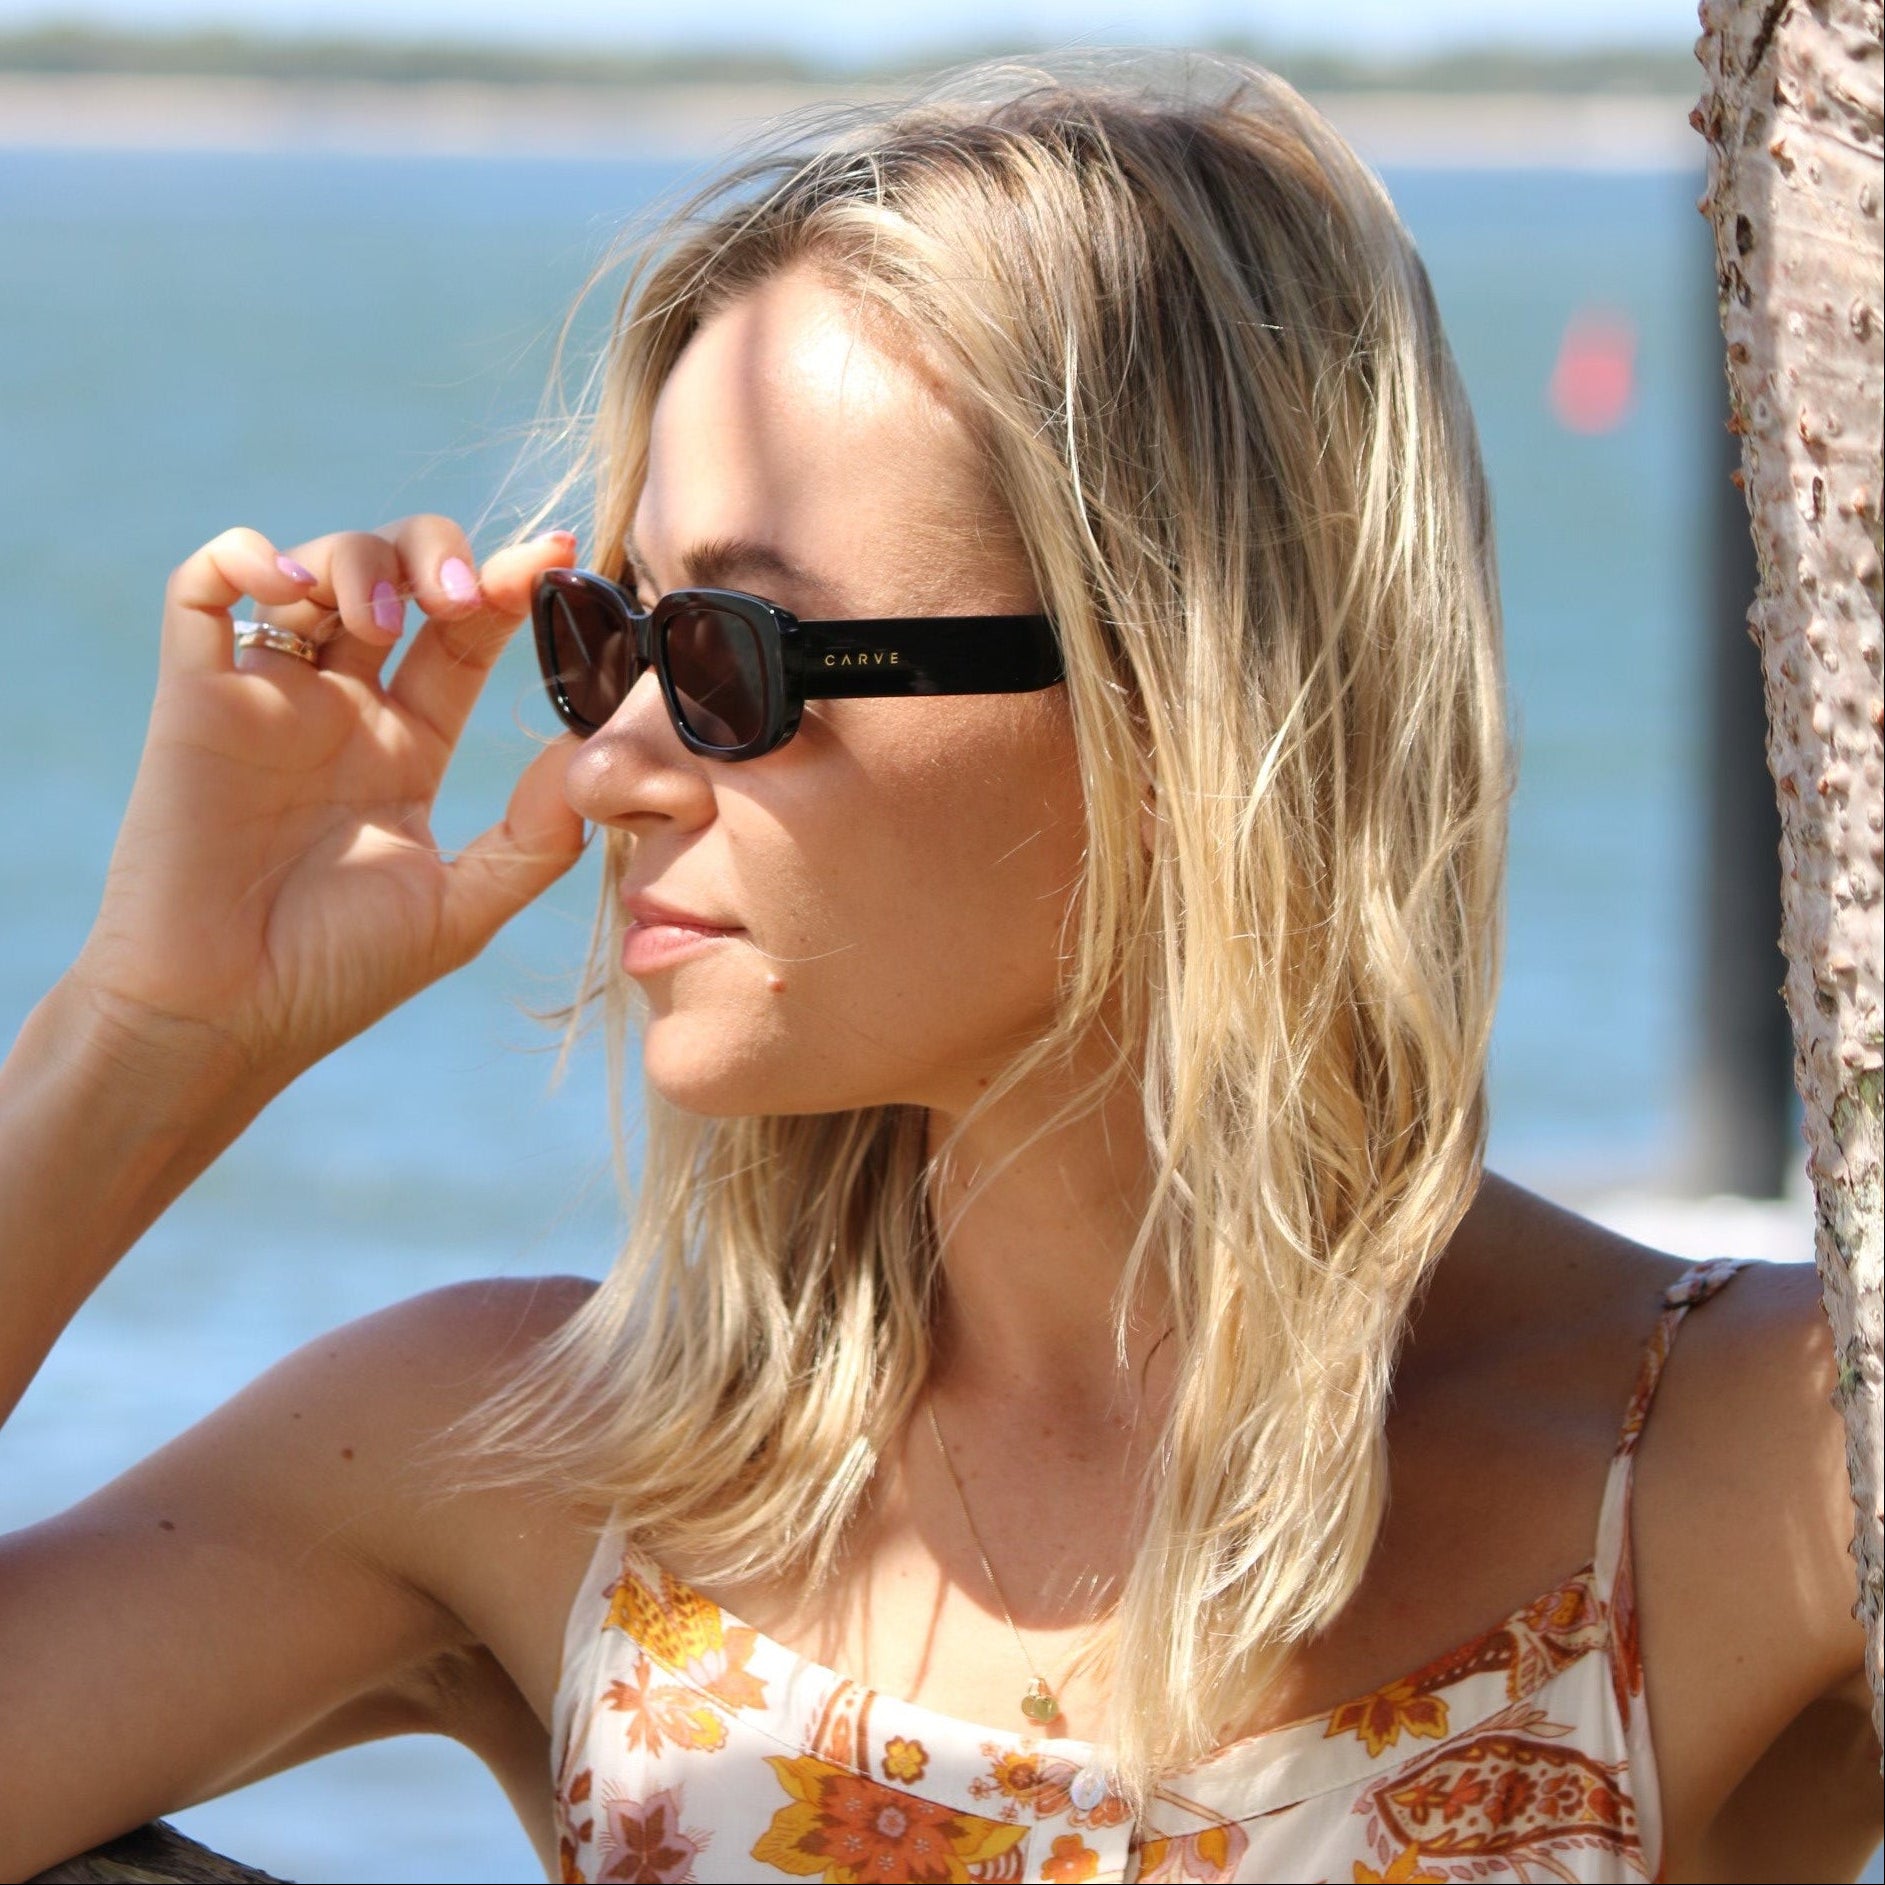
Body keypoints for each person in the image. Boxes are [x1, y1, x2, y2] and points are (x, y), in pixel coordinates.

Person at [0, 60, 1876, 1885]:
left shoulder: (1754, 1467)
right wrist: (148, 1035)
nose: (603, 765)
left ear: (1175, 706)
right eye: (604, 638)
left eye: (731, 655)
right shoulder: (538, 1462)